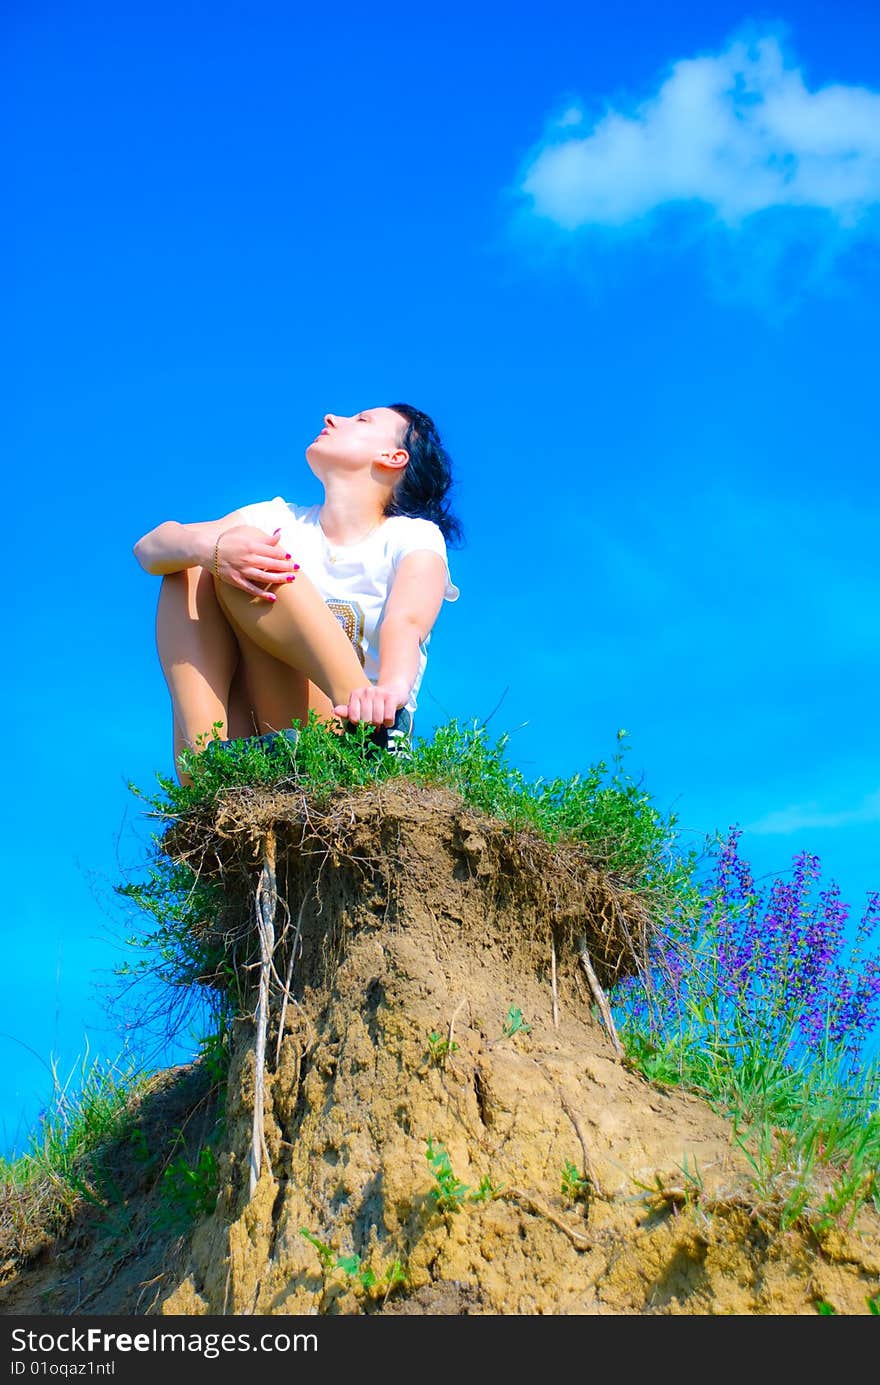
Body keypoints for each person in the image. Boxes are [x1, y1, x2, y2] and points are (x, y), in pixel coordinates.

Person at [133, 403, 461, 778]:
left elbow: (407, 621)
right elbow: (148, 549)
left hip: (349, 731)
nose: (332, 418)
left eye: (361, 420)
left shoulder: (411, 535)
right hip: (268, 731)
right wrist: (207, 550)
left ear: (393, 456)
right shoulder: (279, 518)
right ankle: (206, 760)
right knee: (192, 560)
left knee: (251, 548)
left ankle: (378, 737)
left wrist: (390, 692)